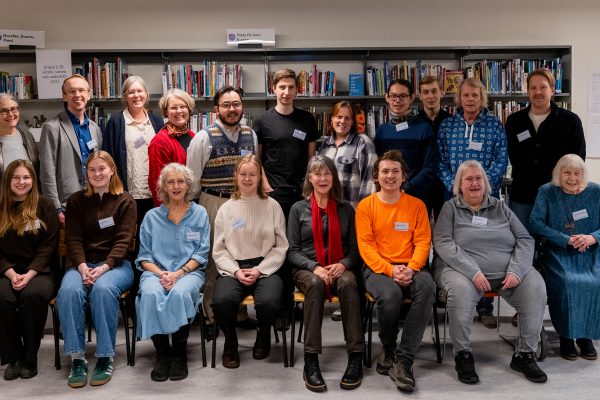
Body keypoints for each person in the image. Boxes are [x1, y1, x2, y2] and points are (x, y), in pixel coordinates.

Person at [432, 159, 548, 384]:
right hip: (460, 271)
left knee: (536, 286)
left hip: (507, 273)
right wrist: (473, 272)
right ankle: (463, 355)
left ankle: (524, 354)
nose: (475, 183)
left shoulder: (500, 207)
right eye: (469, 179)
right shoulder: (450, 208)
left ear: (485, 182)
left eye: (479, 179)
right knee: (460, 292)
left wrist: (517, 270)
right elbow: (443, 242)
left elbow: (525, 239)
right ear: (459, 184)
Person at [355, 150, 434, 393]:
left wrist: (411, 268)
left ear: (404, 176)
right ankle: (388, 347)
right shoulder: (365, 206)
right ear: (376, 176)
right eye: (385, 171)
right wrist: (390, 270)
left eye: (395, 171)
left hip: (412, 266)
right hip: (378, 269)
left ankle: (404, 359)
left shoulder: (417, 206)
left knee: (427, 286)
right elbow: (366, 247)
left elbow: (423, 243)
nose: (390, 176)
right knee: (390, 295)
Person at [56, 150, 136, 388]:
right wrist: (82, 268)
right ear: (86, 173)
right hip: (81, 265)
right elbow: (73, 239)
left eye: (102, 168)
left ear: (112, 170)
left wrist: (103, 269)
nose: (97, 173)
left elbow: (123, 242)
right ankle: (77, 358)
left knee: (103, 290)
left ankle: (105, 357)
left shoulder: (125, 200)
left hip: (116, 266)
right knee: (68, 291)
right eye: (92, 169)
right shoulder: (76, 201)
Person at [287, 156, 365, 392]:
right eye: (317, 174)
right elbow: (292, 251)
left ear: (334, 178)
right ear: (309, 178)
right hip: (307, 270)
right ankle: (310, 360)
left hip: (339, 267)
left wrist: (344, 264)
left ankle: (356, 356)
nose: (322, 178)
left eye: (327, 173)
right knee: (316, 284)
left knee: (349, 283)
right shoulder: (297, 209)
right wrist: (314, 267)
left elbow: (355, 251)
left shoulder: (346, 210)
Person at [437, 77, 508, 327]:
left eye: (475, 95)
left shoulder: (494, 125)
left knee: (484, 246)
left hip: (485, 199)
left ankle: (485, 306)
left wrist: (481, 188)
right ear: (459, 98)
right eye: (466, 95)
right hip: (453, 198)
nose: (470, 99)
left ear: (482, 98)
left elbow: (501, 159)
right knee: (456, 246)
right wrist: (455, 187)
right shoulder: (448, 125)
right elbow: (441, 161)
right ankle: (457, 299)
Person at [186, 86, 258, 333]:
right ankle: (210, 315)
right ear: (217, 109)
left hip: (243, 204)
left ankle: (239, 312)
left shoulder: (250, 134)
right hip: (213, 203)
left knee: (242, 256)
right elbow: (192, 180)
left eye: (236, 104)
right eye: (226, 105)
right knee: (214, 260)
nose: (232, 109)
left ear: (242, 107)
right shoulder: (203, 137)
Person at [211, 155, 288, 369]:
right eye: (243, 174)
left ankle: (263, 334)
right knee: (222, 301)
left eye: (252, 174)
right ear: (236, 176)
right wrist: (235, 271)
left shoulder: (272, 206)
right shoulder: (226, 209)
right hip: (234, 268)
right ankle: (230, 343)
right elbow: (219, 249)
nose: (247, 179)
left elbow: (281, 246)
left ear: (259, 177)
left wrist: (260, 270)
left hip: (265, 267)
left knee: (270, 302)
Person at [136, 163, 210, 382]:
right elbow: (144, 257)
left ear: (188, 185)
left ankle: (179, 355)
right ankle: (162, 354)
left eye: (180, 181)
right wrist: (162, 275)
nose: (176, 186)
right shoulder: (151, 217)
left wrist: (177, 274)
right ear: (163, 187)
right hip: (155, 272)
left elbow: (201, 253)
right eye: (171, 182)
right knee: (150, 294)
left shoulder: (200, 214)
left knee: (179, 293)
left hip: (189, 273)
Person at [530, 154, 600, 361]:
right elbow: (535, 223)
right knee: (568, 282)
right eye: (567, 173)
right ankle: (567, 336)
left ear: (583, 174)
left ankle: (586, 336)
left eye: (577, 173)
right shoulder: (547, 191)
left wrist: (592, 237)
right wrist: (565, 239)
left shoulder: (595, 191)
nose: (572, 178)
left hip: (590, 252)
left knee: (596, 282)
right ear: (558, 174)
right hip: (559, 252)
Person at [505, 69, 586, 233]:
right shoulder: (514, 122)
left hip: (558, 196)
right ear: (528, 91)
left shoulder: (570, 121)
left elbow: (578, 160)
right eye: (533, 88)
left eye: (543, 87)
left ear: (552, 90)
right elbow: (512, 155)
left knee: (557, 241)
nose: (538, 92)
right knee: (523, 241)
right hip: (523, 197)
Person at [0, 160, 59, 380]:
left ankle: (30, 357)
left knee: (32, 296)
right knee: (2, 298)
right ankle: (13, 357)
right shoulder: (1, 206)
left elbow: (49, 245)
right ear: (8, 180)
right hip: (6, 271)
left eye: (26, 177)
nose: (21, 182)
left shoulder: (45, 205)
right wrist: (11, 273)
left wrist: (30, 273)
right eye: (16, 177)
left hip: (40, 271)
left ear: (33, 180)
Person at [254, 68, 319, 220]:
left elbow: (312, 158)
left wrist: (310, 186)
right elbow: (257, 158)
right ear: (274, 89)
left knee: (300, 233)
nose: (286, 92)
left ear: (296, 90)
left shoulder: (307, 119)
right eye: (282, 87)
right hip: (274, 191)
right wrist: (265, 186)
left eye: (291, 87)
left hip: (302, 190)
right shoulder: (262, 121)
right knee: (276, 233)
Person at [102, 75, 164, 233]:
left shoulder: (157, 122)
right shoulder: (116, 122)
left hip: (154, 194)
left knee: (152, 234)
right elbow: (108, 159)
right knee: (127, 235)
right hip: (127, 194)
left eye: (140, 91)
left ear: (146, 94)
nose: (136, 95)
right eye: (131, 92)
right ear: (125, 97)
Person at [39, 74, 103, 225]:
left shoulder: (95, 128)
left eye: (81, 90)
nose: (77, 95)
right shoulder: (52, 128)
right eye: (72, 91)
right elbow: (47, 172)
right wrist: (55, 208)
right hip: (65, 206)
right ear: (64, 96)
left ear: (88, 94)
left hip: (93, 202)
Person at [374, 79, 438, 212]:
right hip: (387, 197)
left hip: (416, 198)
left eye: (403, 96)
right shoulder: (382, 131)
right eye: (393, 96)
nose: (397, 100)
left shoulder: (424, 129)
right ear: (387, 97)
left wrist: (405, 188)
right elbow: (378, 166)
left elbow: (429, 168)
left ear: (412, 98)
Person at [319, 100, 377, 208]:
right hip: (327, 209)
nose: (342, 121)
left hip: (353, 210)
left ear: (352, 122)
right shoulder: (325, 145)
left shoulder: (363, 142)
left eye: (347, 118)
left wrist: (364, 210)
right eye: (339, 117)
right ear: (332, 119)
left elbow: (370, 181)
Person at [148, 89, 195, 206]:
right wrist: (166, 210)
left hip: (192, 202)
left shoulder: (193, 136)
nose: (179, 111)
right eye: (174, 108)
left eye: (183, 106)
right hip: (172, 206)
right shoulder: (159, 142)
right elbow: (156, 182)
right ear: (166, 112)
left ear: (189, 109)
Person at [417, 76, 452, 219]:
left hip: (445, 184)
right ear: (420, 95)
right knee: (419, 226)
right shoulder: (414, 123)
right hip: (420, 184)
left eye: (434, 91)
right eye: (425, 92)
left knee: (445, 226)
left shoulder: (452, 122)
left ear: (441, 92)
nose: (430, 96)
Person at [0, 95, 39, 187]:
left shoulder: (27, 135)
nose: (10, 114)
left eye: (13, 109)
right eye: (4, 111)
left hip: (29, 193)